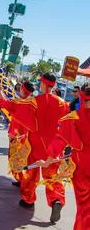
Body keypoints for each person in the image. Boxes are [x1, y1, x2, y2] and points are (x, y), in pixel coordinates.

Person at [0, 73, 69, 224]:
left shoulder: (34, 101)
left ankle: (28, 200)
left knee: (31, 174)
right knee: (52, 175)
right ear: (54, 85)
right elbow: (67, 124)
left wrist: (2, 100)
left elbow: (16, 107)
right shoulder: (63, 103)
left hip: (35, 143)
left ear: (43, 84)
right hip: (54, 145)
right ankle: (56, 199)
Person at [37, 83, 90, 229]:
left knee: (84, 209)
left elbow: (59, 140)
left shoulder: (74, 118)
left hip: (81, 169)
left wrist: (47, 161)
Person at [8, 80, 35, 188]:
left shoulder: (20, 103)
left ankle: (21, 179)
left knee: (14, 157)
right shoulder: (32, 103)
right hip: (25, 136)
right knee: (22, 158)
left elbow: (7, 106)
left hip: (17, 135)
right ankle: (22, 179)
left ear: (23, 90)